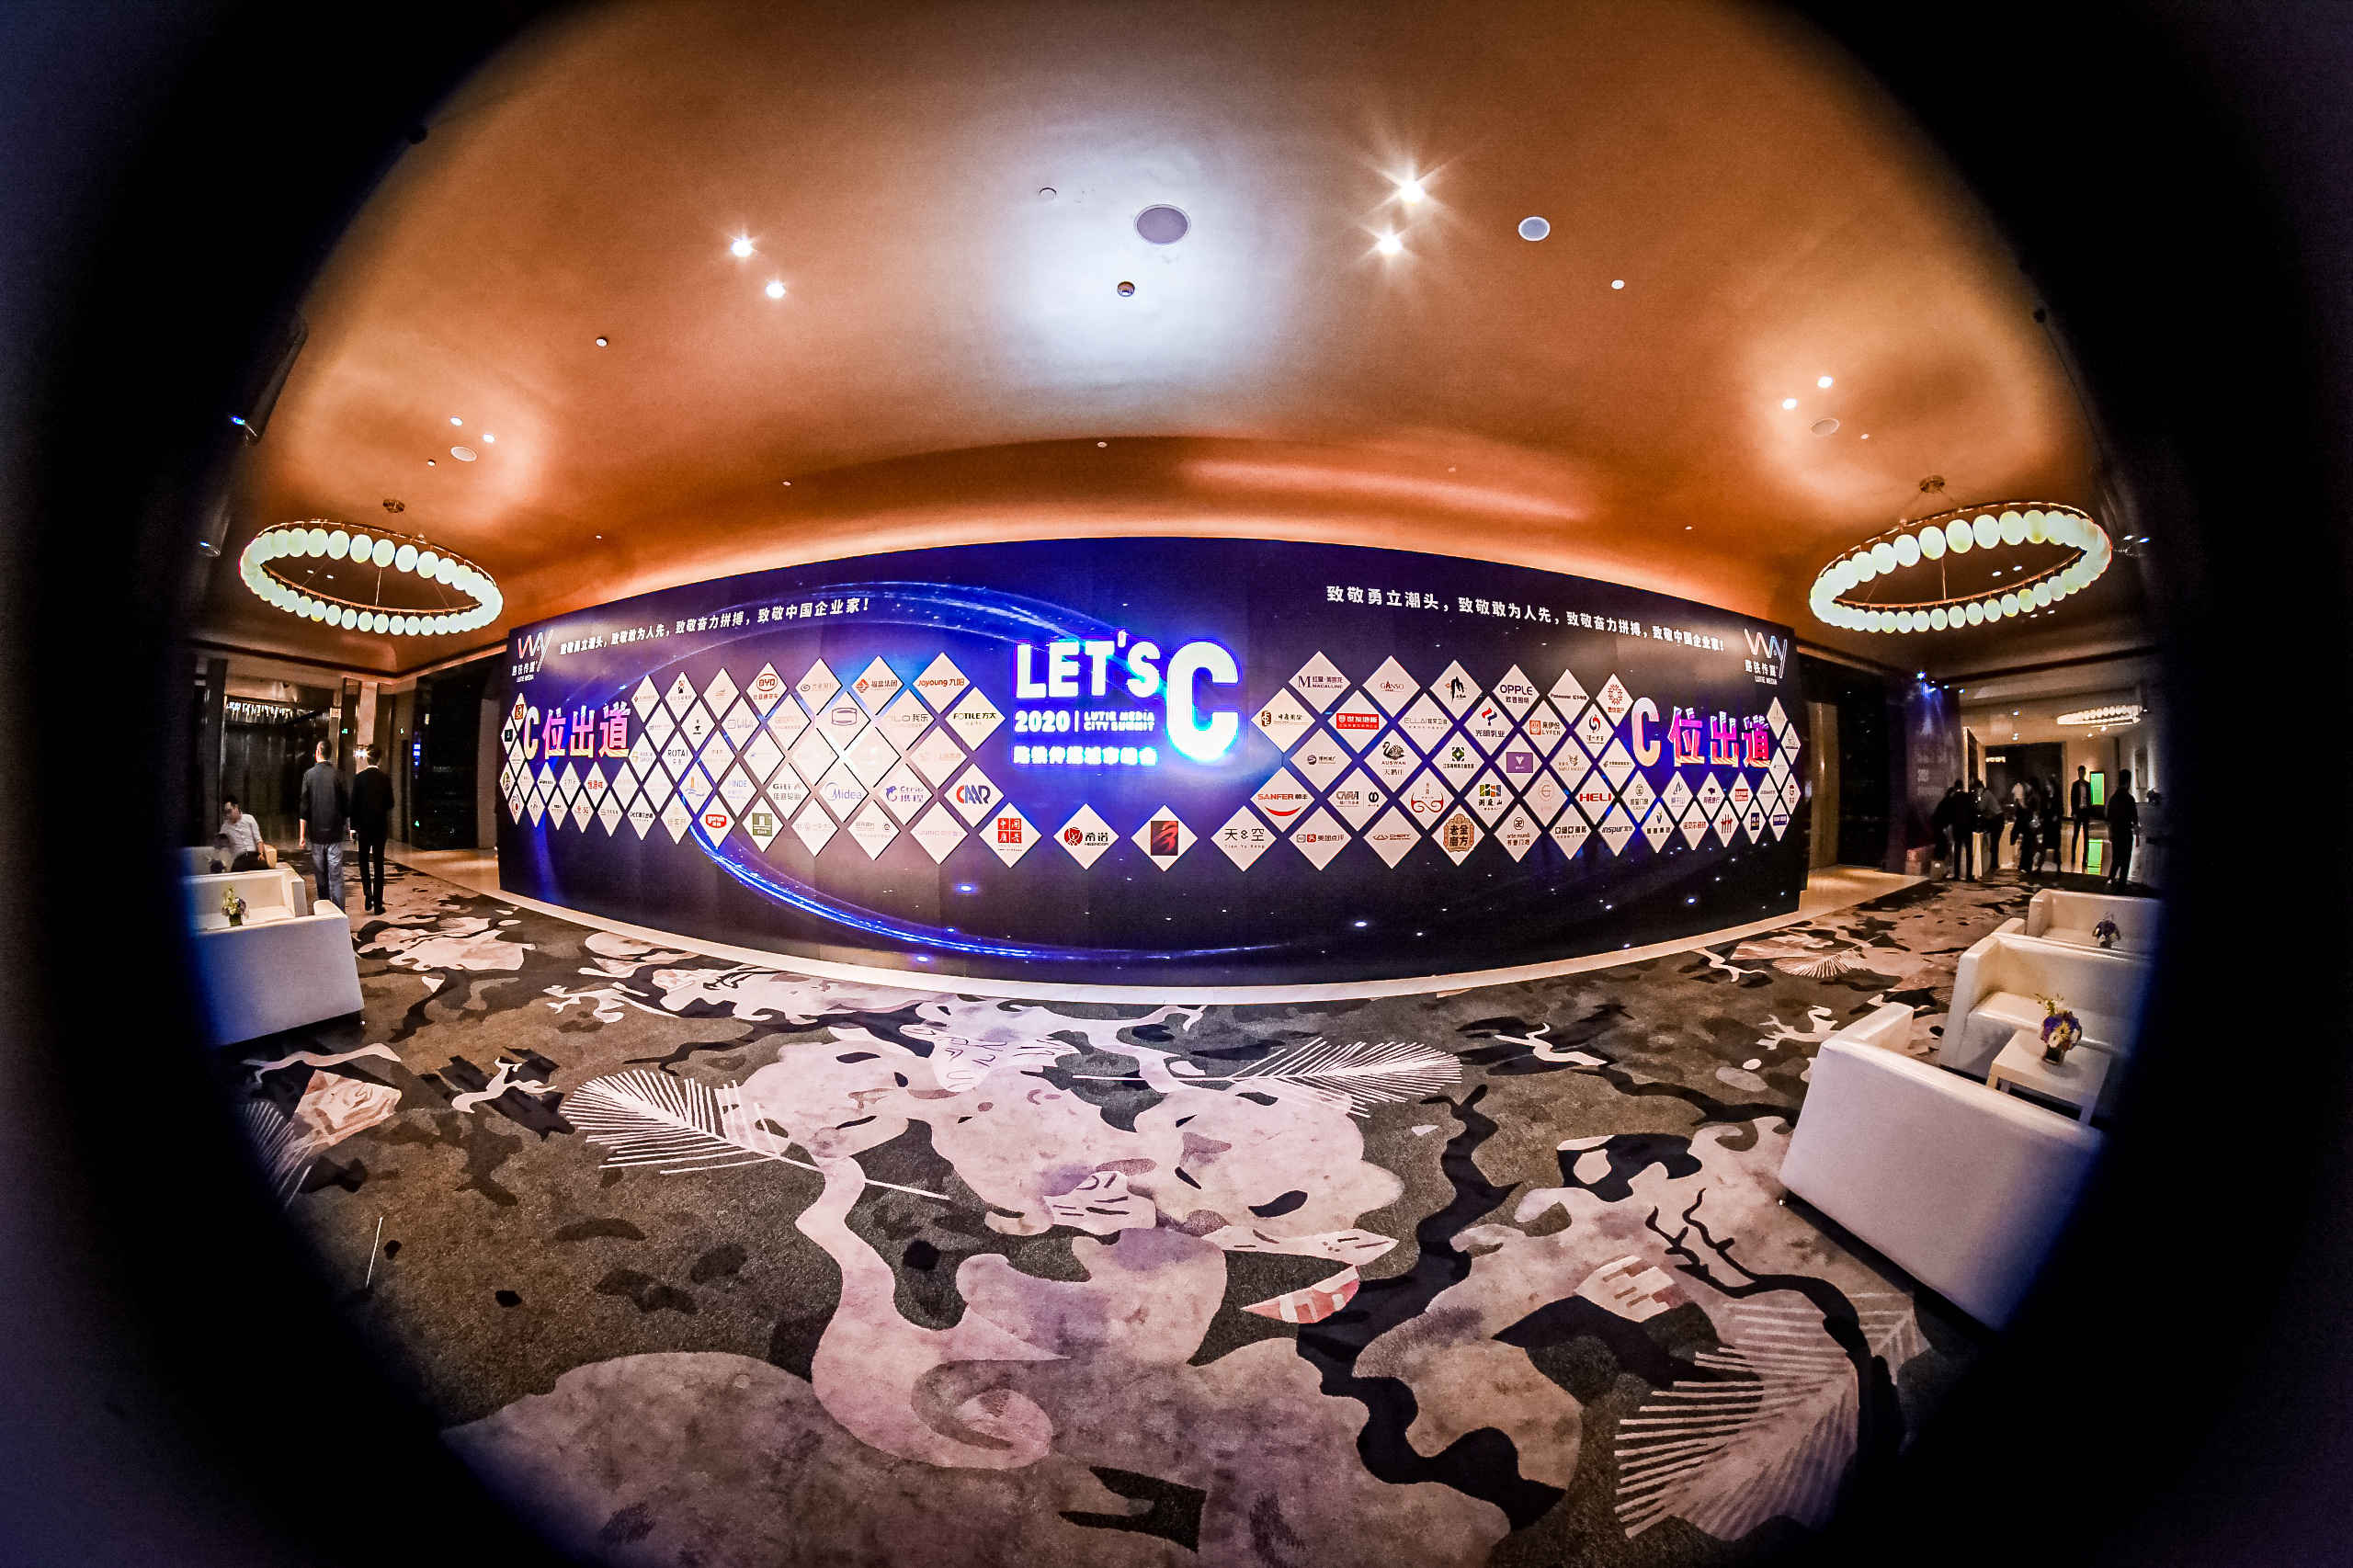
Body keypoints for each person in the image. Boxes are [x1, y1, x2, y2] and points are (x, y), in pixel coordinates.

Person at [296, 741, 350, 912]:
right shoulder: (338, 774)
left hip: (317, 834)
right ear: (330, 753)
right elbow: (346, 805)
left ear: (317, 752)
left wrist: (302, 835)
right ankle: (339, 913)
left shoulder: (309, 775)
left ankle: (325, 911)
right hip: (335, 834)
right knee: (336, 876)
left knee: (320, 875)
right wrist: (348, 827)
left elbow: (304, 806)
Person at [350, 744, 393, 915]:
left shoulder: (359, 778)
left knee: (363, 860)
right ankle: (378, 905)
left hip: (364, 826)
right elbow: (390, 803)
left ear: (366, 759)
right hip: (380, 827)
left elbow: (353, 805)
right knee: (378, 863)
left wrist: (353, 828)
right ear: (379, 760)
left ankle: (367, 891)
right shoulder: (385, 779)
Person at [2106, 768, 2140, 888]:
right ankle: (2121, 887)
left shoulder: (2113, 798)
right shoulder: (2130, 799)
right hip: (2126, 834)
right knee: (2125, 862)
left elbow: (2108, 819)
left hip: (2116, 833)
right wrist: (2137, 837)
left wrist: (2110, 833)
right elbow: (2135, 820)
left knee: (2115, 860)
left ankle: (2110, 881)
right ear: (2128, 782)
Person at [218, 796, 267, 872]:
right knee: (236, 869)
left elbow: (258, 839)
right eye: (226, 813)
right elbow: (218, 844)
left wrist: (261, 854)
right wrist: (223, 841)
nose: (228, 815)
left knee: (263, 866)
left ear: (236, 808)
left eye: (230, 811)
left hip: (253, 855)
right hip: (240, 858)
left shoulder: (249, 818)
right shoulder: (225, 826)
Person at [1974, 777, 2005, 876]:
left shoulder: (1985, 795)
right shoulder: (1987, 794)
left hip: (1997, 820)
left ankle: (1994, 865)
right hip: (1997, 819)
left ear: (1980, 788)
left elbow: (1981, 808)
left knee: (1994, 844)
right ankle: (1994, 864)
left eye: (1977, 790)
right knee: (1994, 843)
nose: (1977, 793)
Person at [2070, 765, 2094, 870]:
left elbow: (2090, 799)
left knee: (2086, 835)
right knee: (2075, 834)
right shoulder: (2075, 785)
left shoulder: (2088, 785)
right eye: (2079, 773)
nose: (2080, 775)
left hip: (2085, 811)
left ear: (2084, 773)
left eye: (2082, 773)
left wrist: (2090, 813)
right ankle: (2073, 856)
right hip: (2078, 812)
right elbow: (2072, 799)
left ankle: (2085, 859)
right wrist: (2073, 812)